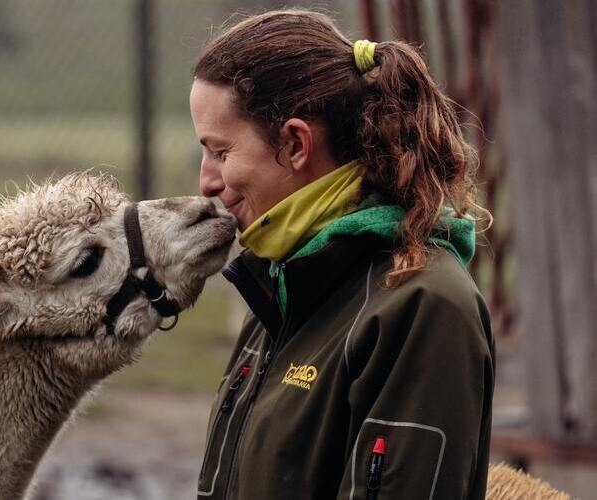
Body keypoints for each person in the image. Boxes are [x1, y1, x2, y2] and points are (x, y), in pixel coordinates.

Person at [188, 9, 494, 500]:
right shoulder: (283, 286)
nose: (206, 181)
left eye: (220, 152)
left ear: (294, 144)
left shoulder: (423, 306)